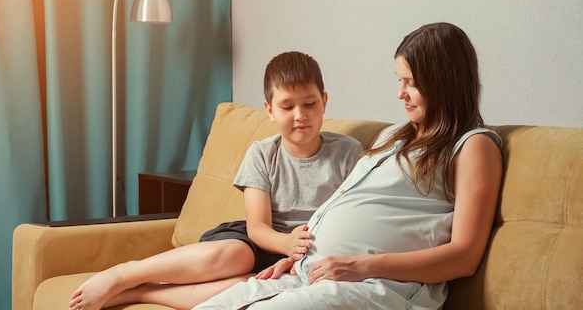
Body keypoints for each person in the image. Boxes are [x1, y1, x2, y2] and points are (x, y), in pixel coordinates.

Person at [192, 22, 504, 310]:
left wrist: (361, 265)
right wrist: (299, 260)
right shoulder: (394, 135)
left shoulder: (473, 146)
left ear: (444, 82)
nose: (400, 93)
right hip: (310, 274)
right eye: (400, 80)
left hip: (375, 284)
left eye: (411, 82)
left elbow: (464, 256)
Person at [68, 51, 364, 310]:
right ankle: (126, 273)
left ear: (324, 102)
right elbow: (257, 227)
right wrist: (286, 243)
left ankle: (143, 292)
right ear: (270, 110)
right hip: (259, 240)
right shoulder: (262, 154)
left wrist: (299, 256)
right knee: (237, 258)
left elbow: (352, 223)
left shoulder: (349, 153)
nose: (300, 115)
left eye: (309, 104)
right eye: (287, 107)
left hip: (306, 251)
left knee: (252, 287)